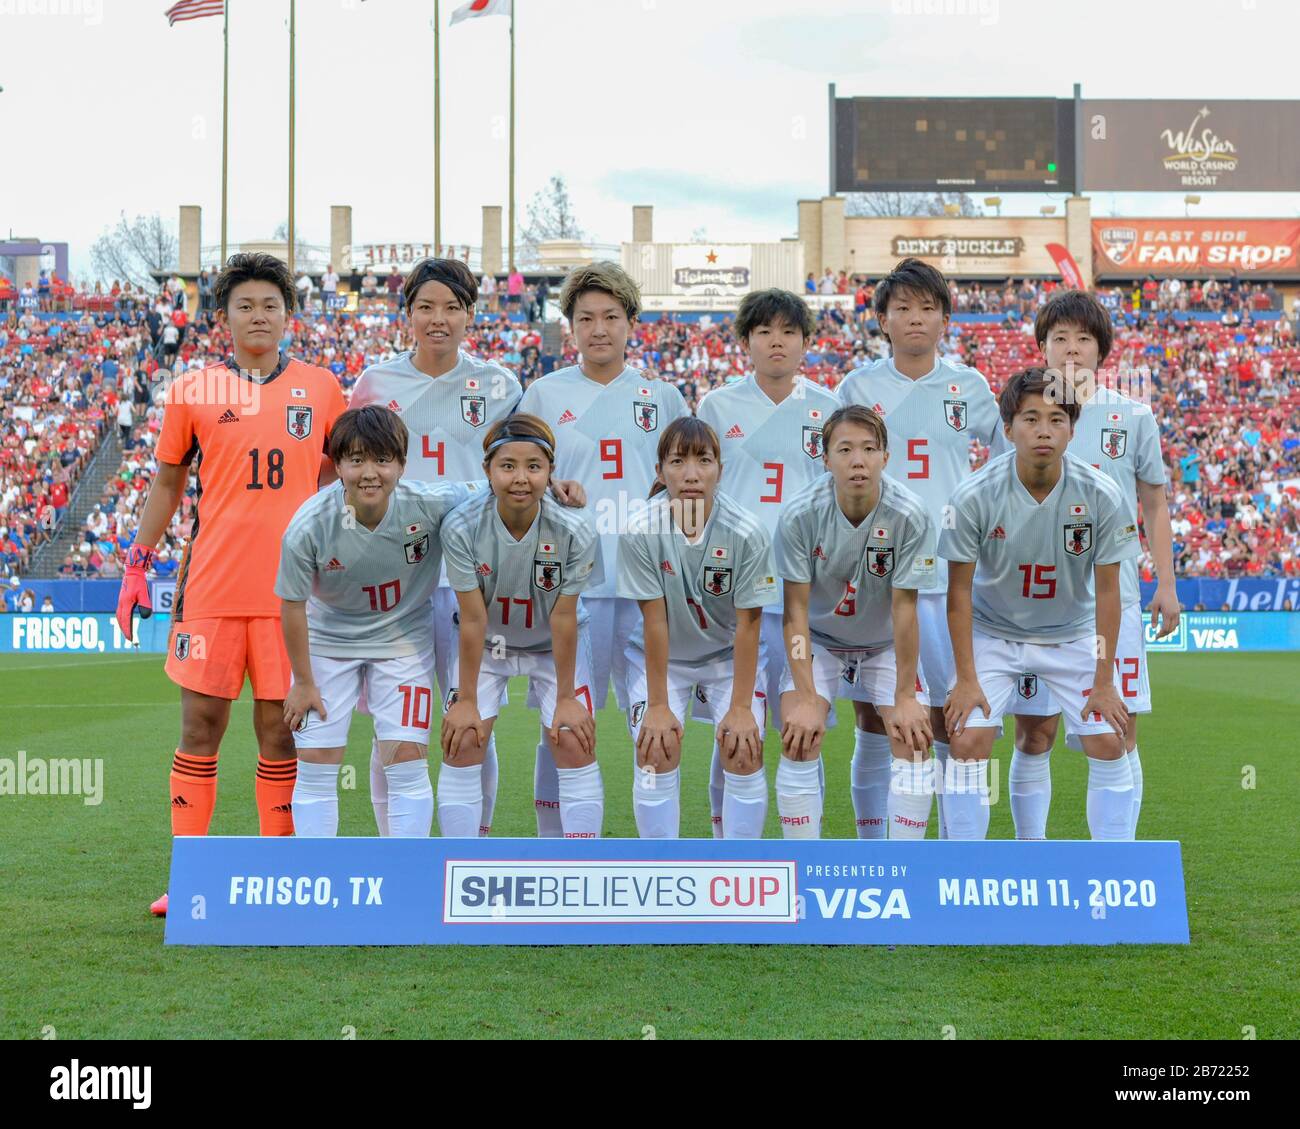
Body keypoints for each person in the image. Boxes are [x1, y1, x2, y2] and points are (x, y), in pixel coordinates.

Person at [115, 251, 347, 917]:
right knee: (201, 724)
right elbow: (166, 484)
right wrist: (139, 561)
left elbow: (342, 474)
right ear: (223, 318)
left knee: (280, 731)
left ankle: (278, 872)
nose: (258, 315)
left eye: (270, 305)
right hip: (212, 590)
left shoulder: (322, 387)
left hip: (291, 598)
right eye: (244, 305)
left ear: (288, 316)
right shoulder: (194, 390)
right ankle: (189, 872)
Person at [349, 257, 582, 837]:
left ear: (470, 315)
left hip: (476, 576)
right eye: (425, 307)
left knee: (472, 715)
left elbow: (521, 462)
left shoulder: (501, 384)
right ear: (406, 315)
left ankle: (470, 845)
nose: (438, 319)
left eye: (451, 307)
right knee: (395, 723)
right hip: (397, 575)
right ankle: (395, 850)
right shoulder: (373, 383)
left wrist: (555, 486)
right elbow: (349, 475)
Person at [836, 258, 1007, 839]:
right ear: (882, 320)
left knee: (957, 720)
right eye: (902, 308)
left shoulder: (973, 387)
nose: (915, 319)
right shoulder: (856, 387)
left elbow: (1007, 464)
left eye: (927, 308)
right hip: (877, 575)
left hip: (952, 578)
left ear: (945, 319)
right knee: (878, 716)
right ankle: (877, 849)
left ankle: (960, 859)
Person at [518, 262, 689, 834]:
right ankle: (554, 854)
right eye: (585, 318)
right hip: (574, 594)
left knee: (656, 730)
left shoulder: (663, 397)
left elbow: (687, 490)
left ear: (631, 323)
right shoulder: (543, 394)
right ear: (569, 327)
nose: (598, 329)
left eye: (611, 317)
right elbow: (520, 481)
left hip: (648, 592)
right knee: (565, 725)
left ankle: (659, 861)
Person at [940, 367, 1140, 841]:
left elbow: (1108, 593)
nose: (1044, 430)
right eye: (1030, 418)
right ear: (1007, 428)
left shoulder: (1102, 495)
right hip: (994, 632)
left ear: (1074, 429)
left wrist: (1103, 680)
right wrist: (966, 678)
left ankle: (1114, 871)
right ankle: (962, 868)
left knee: (1111, 739)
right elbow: (958, 593)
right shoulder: (973, 496)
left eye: (1056, 419)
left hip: (1070, 633)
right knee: (967, 740)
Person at [1008, 290, 1178, 839]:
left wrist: (1166, 584)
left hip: (1115, 601)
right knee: (1034, 732)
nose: (1072, 350)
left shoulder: (1133, 415)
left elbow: (1154, 502)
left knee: (1117, 732)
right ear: (1042, 347)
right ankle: (1029, 855)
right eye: (1061, 338)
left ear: (1103, 350)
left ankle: (1116, 863)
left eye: (1084, 338)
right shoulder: (1016, 413)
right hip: (1032, 604)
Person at [276, 406, 475, 837]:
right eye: (357, 459)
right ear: (338, 464)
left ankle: (404, 875)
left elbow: (497, 486)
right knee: (316, 766)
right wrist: (304, 682)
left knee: (406, 761)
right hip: (328, 645)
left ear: (402, 464)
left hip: (403, 642)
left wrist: (554, 487)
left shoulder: (431, 502)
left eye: (383, 460)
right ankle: (319, 880)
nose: (370, 473)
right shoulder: (308, 526)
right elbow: (292, 605)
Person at [695, 287, 839, 834]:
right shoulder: (717, 406)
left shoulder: (827, 407)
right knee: (738, 723)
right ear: (746, 341)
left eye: (788, 332)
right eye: (764, 332)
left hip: (808, 594)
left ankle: (806, 845)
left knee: (803, 720)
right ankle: (727, 844)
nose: (776, 342)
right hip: (738, 594)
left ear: (806, 341)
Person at [439, 414, 602, 838]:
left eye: (534, 466)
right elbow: (472, 618)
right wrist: (466, 699)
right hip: (489, 644)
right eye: (507, 465)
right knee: (464, 739)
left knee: (571, 737)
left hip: (552, 646)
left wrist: (567, 697)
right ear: (487, 470)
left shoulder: (575, 529)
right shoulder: (461, 526)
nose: (520, 478)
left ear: (551, 473)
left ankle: (576, 867)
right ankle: (464, 858)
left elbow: (564, 616)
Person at [777, 405, 936, 839]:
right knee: (798, 733)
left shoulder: (910, 514)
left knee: (915, 736)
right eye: (844, 449)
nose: (858, 460)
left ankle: (902, 866)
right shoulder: (799, 515)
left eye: (869, 448)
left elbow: (906, 608)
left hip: (882, 641)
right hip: (821, 641)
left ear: (886, 456)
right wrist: (807, 695)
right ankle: (804, 867)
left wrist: (905, 694)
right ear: (825, 458)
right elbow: (794, 613)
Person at [618, 417, 776, 838]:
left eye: (703, 461)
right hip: (665, 662)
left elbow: (749, 624)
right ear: (659, 471)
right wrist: (657, 704)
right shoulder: (639, 529)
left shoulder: (748, 532)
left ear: (720, 470)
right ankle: (659, 870)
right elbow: (654, 621)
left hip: (727, 658)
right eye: (677, 461)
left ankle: (739, 871)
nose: (691, 474)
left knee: (743, 749)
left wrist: (741, 708)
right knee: (655, 749)